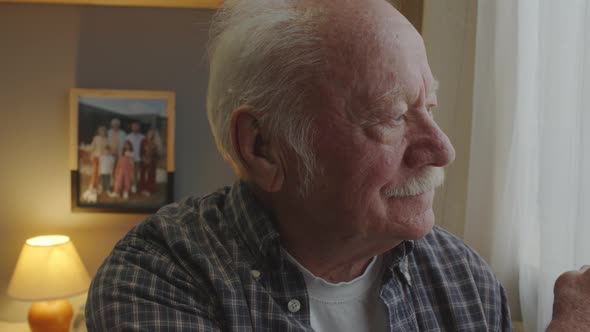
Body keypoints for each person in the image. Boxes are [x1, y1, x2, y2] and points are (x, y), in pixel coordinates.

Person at [85, 1, 590, 331]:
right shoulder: (158, 277)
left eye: (429, 109)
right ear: (262, 147)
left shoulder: (461, 277)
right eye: (392, 115)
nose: (440, 149)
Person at [138, 128, 161, 196]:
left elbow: (158, 154)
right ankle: (142, 189)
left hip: (152, 162)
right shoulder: (143, 141)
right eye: (150, 133)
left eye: (153, 134)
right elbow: (141, 151)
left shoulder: (156, 142)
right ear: (148, 133)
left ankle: (150, 189)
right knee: (142, 175)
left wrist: (152, 158)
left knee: (151, 175)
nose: (151, 135)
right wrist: (143, 158)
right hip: (144, 161)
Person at [126, 121, 145, 193]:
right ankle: (128, 186)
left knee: (136, 173)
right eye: (134, 126)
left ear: (139, 127)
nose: (135, 127)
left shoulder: (142, 137)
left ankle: (134, 186)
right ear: (131, 127)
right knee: (129, 173)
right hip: (129, 158)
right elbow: (125, 148)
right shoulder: (128, 137)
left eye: (136, 126)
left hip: (138, 158)